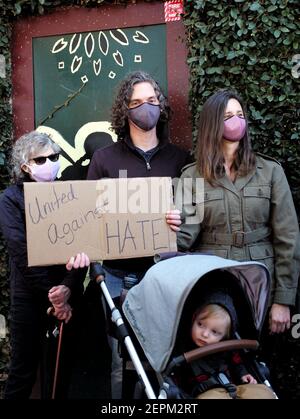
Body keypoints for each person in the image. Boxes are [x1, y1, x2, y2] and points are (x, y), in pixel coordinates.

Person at [87, 70, 193, 398]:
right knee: (123, 360)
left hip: (164, 275)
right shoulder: (103, 159)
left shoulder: (182, 159)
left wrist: (183, 217)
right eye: (136, 102)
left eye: (151, 100)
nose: (144, 107)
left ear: (161, 106)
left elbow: (196, 216)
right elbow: (87, 219)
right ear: (125, 110)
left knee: (166, 356)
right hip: (117, 277)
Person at [176, 89, 300, 340]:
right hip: (213, 282)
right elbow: (184, 239)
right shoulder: (192, 176)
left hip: (260, 281)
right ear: (212, 124)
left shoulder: (270, 171)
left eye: (240, 114)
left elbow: (288, 236)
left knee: (259, 363)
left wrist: (283, 299)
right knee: (215, 360)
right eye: (227, 116)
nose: (236, 121)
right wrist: (168, 225)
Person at [0, 131, 90, 399]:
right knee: (22, 371)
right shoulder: (10, 199)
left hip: (68, 293)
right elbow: (21, 252)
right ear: (25, 166)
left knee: (61, 371)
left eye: (54, 156)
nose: (50, 162)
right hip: (30, 296)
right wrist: (54, 295)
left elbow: (84, 246)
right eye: (41, 159)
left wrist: (68, 289)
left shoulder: (71, 193)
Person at [178, 291, 276, 399]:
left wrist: (243, 374)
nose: (204, 334)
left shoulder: (227, 348)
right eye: (200, 324)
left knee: (264, 394)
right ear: (193, 318)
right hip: (204, 394)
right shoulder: (181, 348)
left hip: (233, 390)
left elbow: (237, 364)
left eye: (214, 332)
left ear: (224, 336)